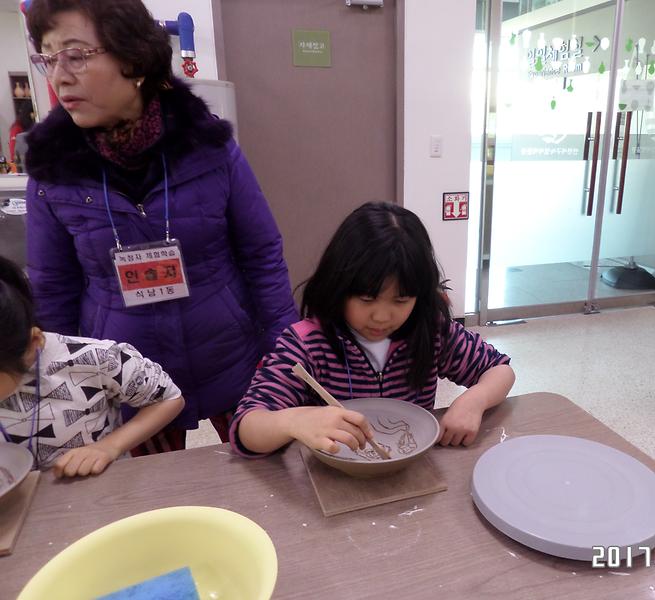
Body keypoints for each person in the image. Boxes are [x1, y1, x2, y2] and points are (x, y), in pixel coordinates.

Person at [23, 0, 298, 455]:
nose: (60, 76)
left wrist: (284, 349)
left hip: (227, 350)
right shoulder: (52, 171)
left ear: (133, 59)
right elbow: (53, 289)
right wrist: (68, 383)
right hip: (125, 368)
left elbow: (261, 253)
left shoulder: (209, 146)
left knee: (265, 469)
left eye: (75, 55)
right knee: (151, 498)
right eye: (48, 58)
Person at [230, 202, 515, 457]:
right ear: (338, 286)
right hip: (334, 476)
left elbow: (500, 369)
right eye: (366, 299)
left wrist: (474, 401)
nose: (381, 317)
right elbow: (246, 427)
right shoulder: (306, 343)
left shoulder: (430, 330)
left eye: (401, 300)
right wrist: (293, 421)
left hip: (408, 469)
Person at [0, 256, 184, 477]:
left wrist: (109, 447)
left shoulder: (92, 358)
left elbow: (169, 398)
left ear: (33, 344)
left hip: (97, 492)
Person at [8, 99, 34, 169]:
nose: (33, 115)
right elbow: (13, 152)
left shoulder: (29, 125)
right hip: (20, 166)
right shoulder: (17, 128)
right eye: (32, 113)